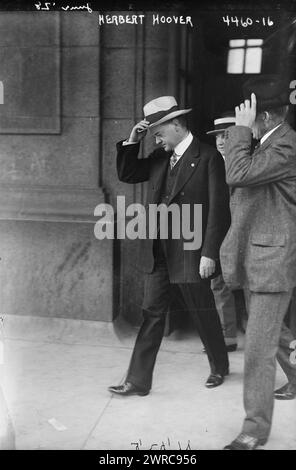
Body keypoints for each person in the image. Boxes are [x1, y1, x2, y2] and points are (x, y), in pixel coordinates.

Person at [109, 96, 230, 396]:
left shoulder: (208, 157)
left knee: (202, 311)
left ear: (176, 124)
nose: (156, 137)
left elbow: (218, 210)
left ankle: (219, 366)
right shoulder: (160, 157)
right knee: (151, 313)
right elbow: (128, 173)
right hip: (160, 251)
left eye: (158, 131)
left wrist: (209, 253)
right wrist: (132, 141)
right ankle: (137, 380)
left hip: (192, 250)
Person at [220, 75, 296, 450]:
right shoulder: (269, 143)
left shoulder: (285, 147)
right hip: (258, 258)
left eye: (246, 114)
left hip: (271, 263)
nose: (241, 120)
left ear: (263, 117)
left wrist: (239, 133)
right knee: (274, 335)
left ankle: (254, 430)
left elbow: (238, 174)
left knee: (258, 352)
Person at [206, 112, 239, 352]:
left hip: (243, 231)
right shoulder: (211, 163)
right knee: (219, 282)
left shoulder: (245, 161)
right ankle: (227, 338)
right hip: (220, 232)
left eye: (226, 135)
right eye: (217, 135)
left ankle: (252, 329)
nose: (220, 140)